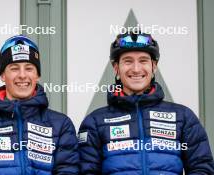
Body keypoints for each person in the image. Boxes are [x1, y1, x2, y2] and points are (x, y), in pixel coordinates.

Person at [78, 31, 214, 175]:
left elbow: (202, 168)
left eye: (143, 60)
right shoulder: (94, 121)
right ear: (116, 68)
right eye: (128, 61)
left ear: (154, 66)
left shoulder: (183, 116)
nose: (136, 69)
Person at [0, 35, 79, 175]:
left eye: (29, 68)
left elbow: (68, 170)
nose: (22, 75)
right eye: (14, 68)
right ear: (2, 75)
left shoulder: (61, 125)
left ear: (38, 75)